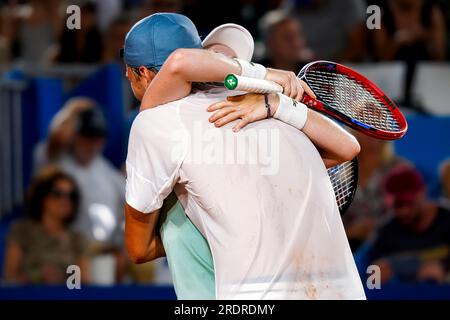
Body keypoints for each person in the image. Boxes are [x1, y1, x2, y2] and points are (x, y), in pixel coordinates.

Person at [123, 13, 365, 299]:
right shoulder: (266, 104)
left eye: (129, 71)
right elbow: (348, 149)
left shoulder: (156, 122)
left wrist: (186, 221)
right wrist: (277, 99)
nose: (126, 77)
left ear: (145, 73)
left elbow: (138, 249)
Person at [4, 166, 90, 284]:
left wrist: (62, 279)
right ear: (42, 196)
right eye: (57, 194)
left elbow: (83, 281)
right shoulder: (21, 230)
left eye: (71, 195)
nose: (65, 200)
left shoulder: (77, 238)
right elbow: (10, 276)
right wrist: (38, 276)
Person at [367, 165, 450, 284]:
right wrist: (375, 272)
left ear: (423, 193)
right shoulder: (386, 230)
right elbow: (369, 271)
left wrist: (443, 268)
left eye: (409, 203)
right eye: (397, 205)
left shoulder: (447, 218)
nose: (403, 211)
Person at [343, 131, 410, 251]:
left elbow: (410, 213)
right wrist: (349, 233)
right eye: (367, 123)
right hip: (344, 246)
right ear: (352, 129)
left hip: (389, 246)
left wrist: (378, 227)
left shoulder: (401, 168)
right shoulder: (338, 167)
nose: (373, 130)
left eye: (378, 124)